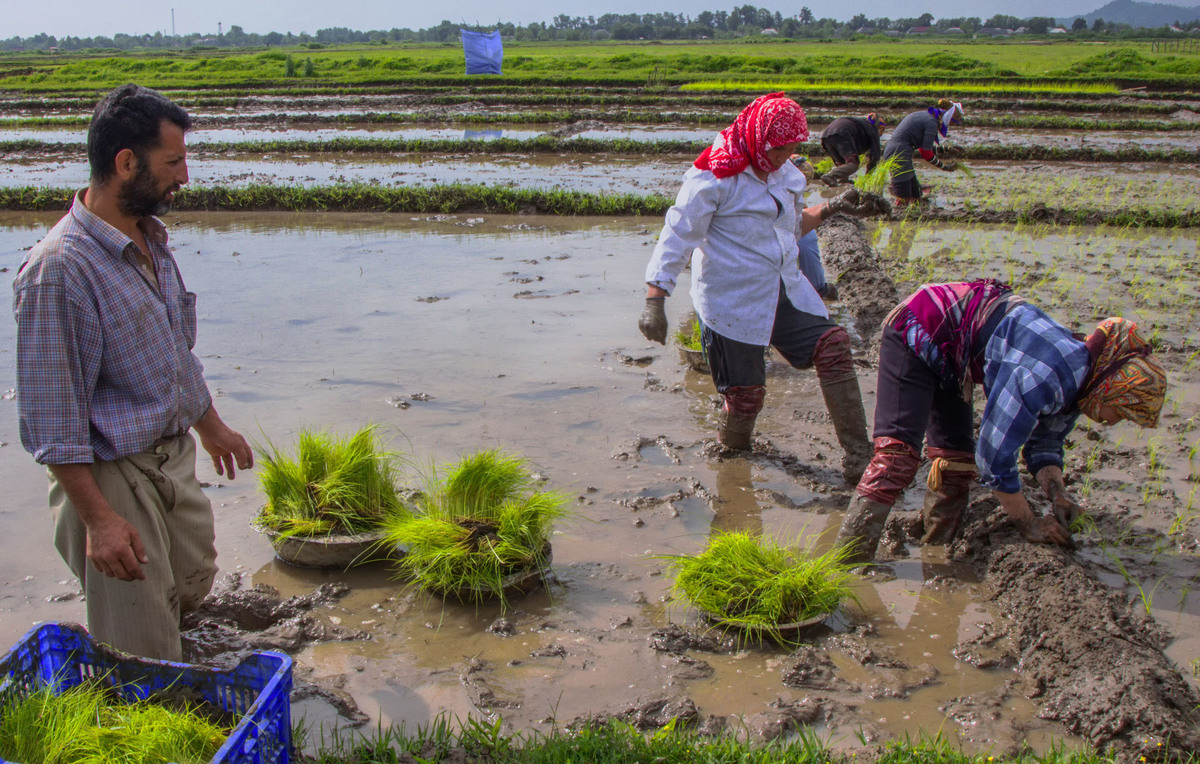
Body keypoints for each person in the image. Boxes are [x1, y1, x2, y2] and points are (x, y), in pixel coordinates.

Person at [13, 84, 254, 661]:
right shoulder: (60, 271)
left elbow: (174, 352)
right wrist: (98, 519)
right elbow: (54, 420)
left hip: (168, 452)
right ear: (126, 163)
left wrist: (210, 425)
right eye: (173, 162)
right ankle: (147, 709)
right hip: (110, 469)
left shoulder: (151, 241)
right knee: (140, 646)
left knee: (193, 582)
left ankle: (168, 645)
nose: (185, 177)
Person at [834, 280, 1167, 563]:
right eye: (1120, 413)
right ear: (1109, 391)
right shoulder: (1047, 374)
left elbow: (1045, 446)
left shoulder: (1083, 383)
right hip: (922, 324)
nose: (1111, 423)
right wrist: (1029, 523)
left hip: (957, 352)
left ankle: (934, 552)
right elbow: (994, 459)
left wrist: (1058, 495)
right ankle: (847, 563)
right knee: (898, 457)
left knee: (956, 463)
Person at [636, 92, 876, 484]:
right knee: (746, 398)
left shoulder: (785, 175)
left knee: (834, 345)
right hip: (732, 301)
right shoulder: (715, 177)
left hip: (782, 290)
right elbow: (677, 236)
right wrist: (655, 299)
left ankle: (859, 460)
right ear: (759, 139)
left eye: (793, 148)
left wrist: (833, 208)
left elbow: (790, 229)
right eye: (779, 148)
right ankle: (733, 460)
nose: (785, 156)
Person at [881, 99, 963, 205]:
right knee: (904, 199)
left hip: (898, 152)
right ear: (948, 116)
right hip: (899, 155)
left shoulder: (928, 117)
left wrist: (947, 149)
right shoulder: (931, 123)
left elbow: (923, 148)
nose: (950, 124)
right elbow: (926, 153)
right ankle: (895, 218)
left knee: (916, 195)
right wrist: (945, 167)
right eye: (952, 122)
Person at [818, 113, 885, 187]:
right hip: (842, 133)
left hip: (826, 135)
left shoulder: (862, 125)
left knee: (842, 163)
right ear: (881, 127)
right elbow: (875, 157)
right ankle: (830, 175)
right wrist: (868, 177)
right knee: (853, 164)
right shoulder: (873, 130)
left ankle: (842, 180)